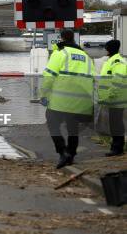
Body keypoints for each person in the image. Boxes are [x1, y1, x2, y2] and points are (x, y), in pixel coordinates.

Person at [41, 29, 95, 169]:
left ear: (61, 38)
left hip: (61, 101)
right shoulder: (86, 56)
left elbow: (49, 76)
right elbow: (94, 79)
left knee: (52, 124)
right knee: (73, 129)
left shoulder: (61, 53)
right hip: (81, 102)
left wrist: (43, 94)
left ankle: (62, 152)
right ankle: (71, 155)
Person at [98, 40, 126, 157]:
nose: (106, 50)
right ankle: (116, 147)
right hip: (113, 99)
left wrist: (109, 95)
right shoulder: (111, 61)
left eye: (107, 48)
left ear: (110, 49)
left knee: (116, 124)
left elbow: (117, 80)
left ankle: (117, 148)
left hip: (116, 99)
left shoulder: (117, 61)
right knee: (115, 124)